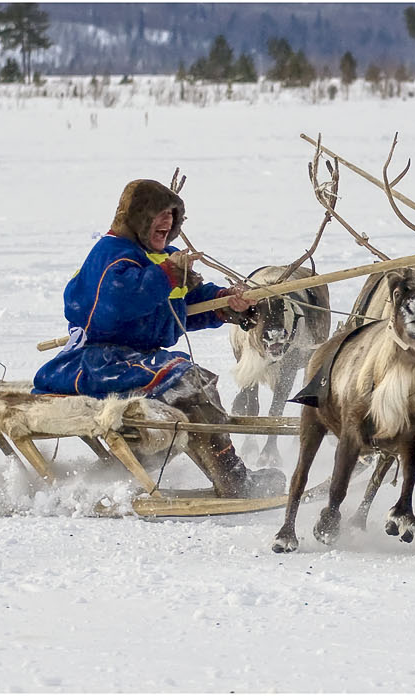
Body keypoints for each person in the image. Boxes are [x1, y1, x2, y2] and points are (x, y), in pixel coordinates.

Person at [33, 179, 286, 498]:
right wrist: (166, 275)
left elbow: (180, 307)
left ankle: (137, 468)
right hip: (97, 361)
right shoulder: (110, 254)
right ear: (138, 217)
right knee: (187, 379)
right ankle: (232, 477)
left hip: (134, 360)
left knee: (187, 382)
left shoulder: (164, 257)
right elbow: (117, 306)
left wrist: (224, 303)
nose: (167, 222)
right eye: (159, 215)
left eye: (172, 215)